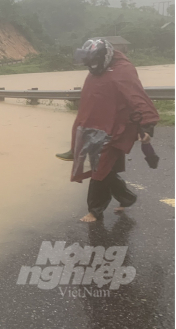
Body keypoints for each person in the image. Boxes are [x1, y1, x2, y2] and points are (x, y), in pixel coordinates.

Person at [68, 38, 159, 222]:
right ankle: (127, 197)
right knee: (104, 167)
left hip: (118, 128)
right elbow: (90, 102)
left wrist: (147, 126)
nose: (92, 65)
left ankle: (95, 210)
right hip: (96, 128)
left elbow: (137, 98)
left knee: (100, 166)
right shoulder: (95, 72)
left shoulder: (122, 71)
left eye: (94, 61)